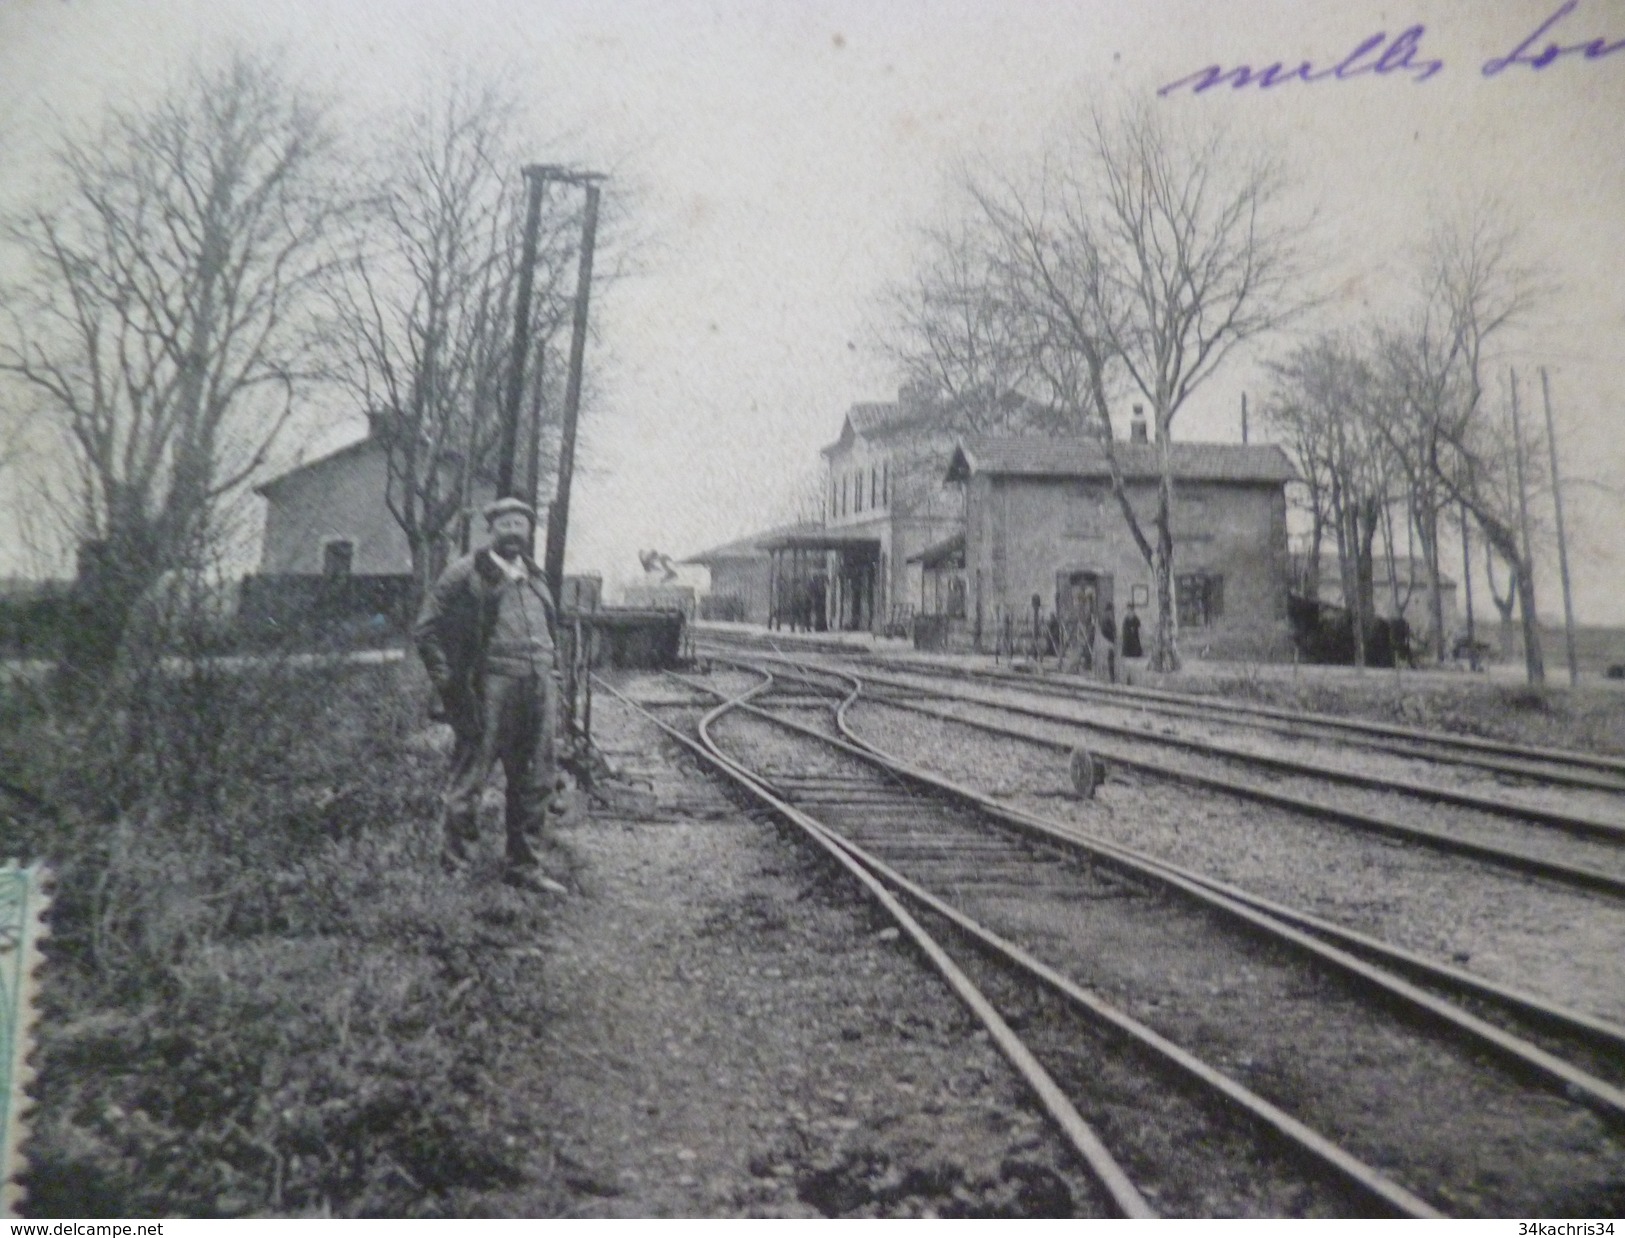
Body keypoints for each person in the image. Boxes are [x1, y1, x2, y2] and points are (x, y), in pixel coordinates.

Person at [415, 497, 567, 895]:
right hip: (488, 687)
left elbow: (552, 630)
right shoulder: (465, 572)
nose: (514, 531)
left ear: (530, 532)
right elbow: (426, 629)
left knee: (536, 779)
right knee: (471, 777)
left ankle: (525, 866)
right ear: (491, 529)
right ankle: (456, 867)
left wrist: (553, 675)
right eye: (506, 524)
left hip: (538, 686)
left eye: (521, 524)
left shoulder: (535, 576)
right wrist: (450, 684)